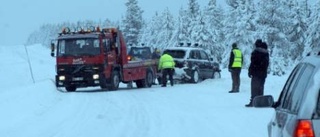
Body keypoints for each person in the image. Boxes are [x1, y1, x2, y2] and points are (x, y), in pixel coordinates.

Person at [246, 40, 269, 107]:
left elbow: (253, 63)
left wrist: (250, 71)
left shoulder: (256, 52)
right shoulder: (266, 53)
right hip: (263, 74)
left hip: (256, 73)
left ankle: (253, 101)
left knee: (254, 88)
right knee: (261, 88)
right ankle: (260, 102)